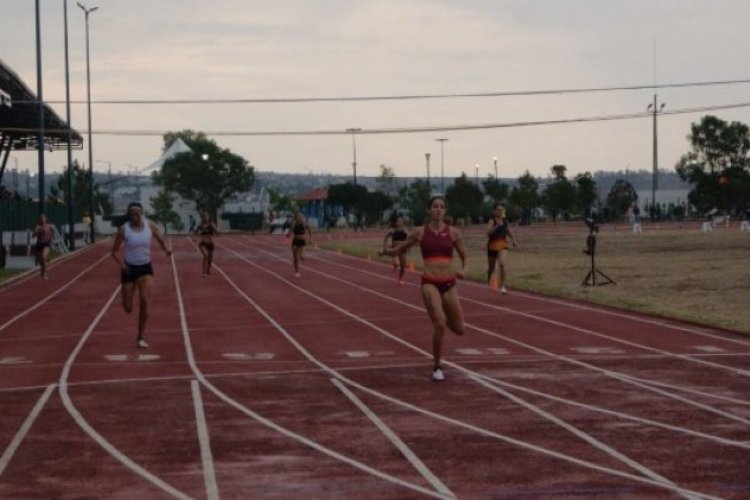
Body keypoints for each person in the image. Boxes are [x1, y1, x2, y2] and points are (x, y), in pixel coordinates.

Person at [381, 196, 467, 381]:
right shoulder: (419, 232)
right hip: (430, 282)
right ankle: (437, 367)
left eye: (442, 207)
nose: (438, 209)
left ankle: (444, 312)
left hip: (449, 282)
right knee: (440, 324)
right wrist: (386, 251)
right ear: (429, 210)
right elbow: (401, 249)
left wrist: (464, 269)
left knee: (459, 329)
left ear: (445, 211)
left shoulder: (454, 233)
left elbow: (464, 256)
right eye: (435, 206)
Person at [111, 202, 172, 348]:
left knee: (144, 301)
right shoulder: (123, 229)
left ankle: (140, 337)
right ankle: (129, 304)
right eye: (132, 214)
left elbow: (159, 237)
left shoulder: (150, 225)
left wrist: (166, 248)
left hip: (145, 267)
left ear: (141, 213)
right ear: (129, 215)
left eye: (137, 214)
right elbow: (113, 252)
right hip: (129, 269)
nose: (135, 217)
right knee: (128, 308)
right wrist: (122, 265)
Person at [486, 204, 516, 293]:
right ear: (494, 211)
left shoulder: (505, 221)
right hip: (492, 246)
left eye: (501, 209)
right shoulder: (492, 221)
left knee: (502, 264)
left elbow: (508, 231)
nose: (500, 211)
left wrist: (513, 240)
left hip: (502, 245)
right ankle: (489, 277)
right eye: (498, 209)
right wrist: (496, 226)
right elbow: (488, 234)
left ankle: (503, 285)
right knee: (491, 268)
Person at [382, 215, 408, 284]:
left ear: (403, 222)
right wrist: (384, 246)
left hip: (402, 250)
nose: (399, 222)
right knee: (397, 263)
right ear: (396, 222)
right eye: (398, 221)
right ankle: (395, 265)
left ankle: (399, 279)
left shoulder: (405, 231)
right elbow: (386, 237)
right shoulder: (392, 231)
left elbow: (409, 239)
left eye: (401, 221)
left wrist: (408, 247)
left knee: (403, 265)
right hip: (394, 249)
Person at [194, 211, 218, 276]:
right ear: (202, 218)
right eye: (204, 216)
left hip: (210, 244)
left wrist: (213, 227)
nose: (205, 217)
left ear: (209, 217)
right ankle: (204, 271)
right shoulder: (200, 225)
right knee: (206, 256)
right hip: (203, 244)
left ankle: (208, 271)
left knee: (210, 259)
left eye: (206, 216)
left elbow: (217, 232)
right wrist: (195, 238)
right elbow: (195, 233)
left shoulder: (211, 224)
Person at [289, 211, 312, 277]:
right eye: (299, 216)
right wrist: (288, 234)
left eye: (301, 216)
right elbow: (290, 231)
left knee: (302, 257)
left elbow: (310, 230)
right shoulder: (293, 223)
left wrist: (310, 239)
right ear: (296, 217)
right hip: (295, 241)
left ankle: (301, 255)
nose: (300, 217)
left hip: (302, 242)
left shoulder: (304, 223)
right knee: (295, 258)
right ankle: (297, 271)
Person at [33, 213, 53, 280]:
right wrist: (36, 232)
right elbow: (33, 236)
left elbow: (52, 232)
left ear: (46, 219)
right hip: (39, 245)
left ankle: (44, 273)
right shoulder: (38, 227)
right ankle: (43, 272)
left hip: (46, 244)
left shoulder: (49, 226)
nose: (42, 220)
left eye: (43, 218)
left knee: (43, 257)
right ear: (39, 220)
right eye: (41, 218)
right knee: (41, 262)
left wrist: (50, 238)